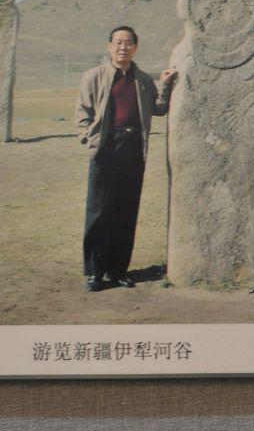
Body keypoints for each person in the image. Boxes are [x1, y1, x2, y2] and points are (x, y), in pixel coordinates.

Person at [74, 26, 177, 292]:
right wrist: (89, 139)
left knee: (126, 210)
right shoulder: (93, 76)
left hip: (133, 148)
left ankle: (118, 270)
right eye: (118, 42)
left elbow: (158, 109)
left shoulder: (142, 79)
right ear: (109, 46)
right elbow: (83, 113)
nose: (123, 47)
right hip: (105, 147)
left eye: (128, 42)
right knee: (99, 211)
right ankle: (95, 272)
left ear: (135, 47)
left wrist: (164, 85)